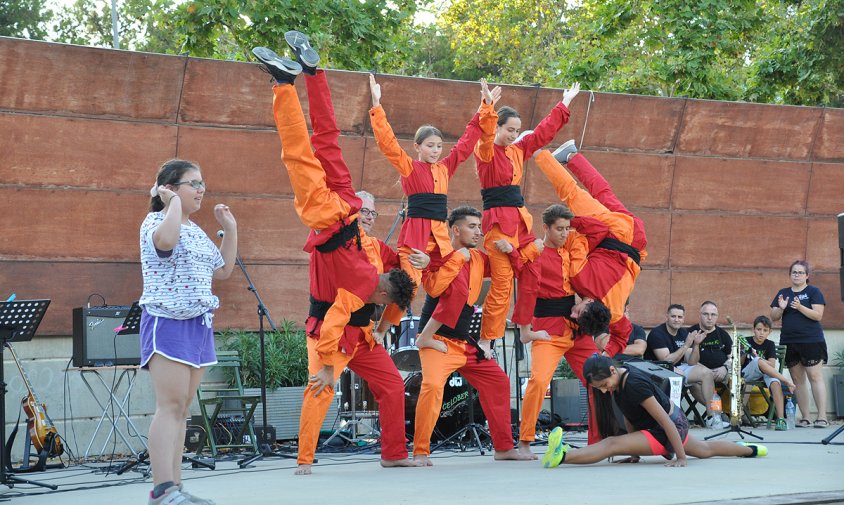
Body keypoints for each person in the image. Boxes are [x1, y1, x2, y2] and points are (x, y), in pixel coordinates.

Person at [252, 32, 420, 474]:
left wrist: (412, 268)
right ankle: (284, 84)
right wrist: (328, 366)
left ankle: (314, 72)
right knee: (298, 153)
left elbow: (399, 279)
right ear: (383, 294)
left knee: (327, 138)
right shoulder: (367, 279)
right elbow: (331, 323)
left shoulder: (373, 258)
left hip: (347, 208)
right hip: (329, 217)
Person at [140, 159, 238, 505]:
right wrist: (171, 203)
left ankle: (176, 488)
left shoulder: (196, 231)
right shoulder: (155, 221)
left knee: (182, 408)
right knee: (169, 407)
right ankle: (161, 489)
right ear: (170, 187)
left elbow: (223, 270)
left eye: (202, 183)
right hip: (166, 321)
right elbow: (166, 242)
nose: (201, 190)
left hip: (199, 323)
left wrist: (230, 227)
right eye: (192, 183)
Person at [411, 206, 531, 464]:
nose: (478, 231)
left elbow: (504, 271)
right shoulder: (441, 254)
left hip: (464, 342)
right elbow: (428, 269)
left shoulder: (478, 258)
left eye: (480, 226)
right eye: (472, 226)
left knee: (498, 382)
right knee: (432, 387)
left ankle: (503, 448)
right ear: (456, 229)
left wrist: (514, 251)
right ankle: (420, 452)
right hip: (437, 339)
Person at [367, 74, 498, 292]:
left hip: (439, 241)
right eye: (430, 145)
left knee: (449, 283)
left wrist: (485, 106)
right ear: (417, 147)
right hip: (415, 238)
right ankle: (381, 328)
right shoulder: (409, 167)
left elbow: (466, 143)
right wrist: (377, 105)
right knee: (409, 286)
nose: (436, 151)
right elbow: (388, 144)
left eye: (439, 146)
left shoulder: (445, 167)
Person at [474, 83, 580, 344]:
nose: (513, 135)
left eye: (517, 131)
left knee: (533, 272)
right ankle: (487, 340)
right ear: (498, 127)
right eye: (509, 130)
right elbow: (484, 135)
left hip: (520, 222)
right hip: (499, 225)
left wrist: (564, 103)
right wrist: (487, 108)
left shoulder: (518, 150)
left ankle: (524, 329)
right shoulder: (485, 151)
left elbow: (542, 134)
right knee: (502, 285)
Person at [541, 355, 768, 468]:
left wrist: (680, 457)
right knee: (705, 449)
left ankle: (561, 456)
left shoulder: (634, 384)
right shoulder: (618, 381)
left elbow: (665, 420)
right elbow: (630, 415)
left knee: (612, 443)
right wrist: (634, 452)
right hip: (664, 426)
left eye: (603, 384)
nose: (602, 390)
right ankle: (751, 450)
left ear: (612, 370)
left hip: (668, 425)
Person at [533, 141, 647, 357]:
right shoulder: (581, 278)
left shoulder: (614, 314)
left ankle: (571, 156)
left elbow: (622, 336)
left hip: (636, 239)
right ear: (590, 302)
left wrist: (607, 354)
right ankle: (538, 151)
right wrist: (569, 223)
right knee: (572, 195)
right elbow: (587, 236)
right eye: (579, 312)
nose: (573, 315)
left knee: (603, 192)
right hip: (615, 232)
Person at [507, 203, 576, 458]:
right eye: (559, 229)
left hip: (575, 330)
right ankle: (525, 442)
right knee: (537, 382)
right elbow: (526, 294)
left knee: (599, 377)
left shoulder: (570, 250)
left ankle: (605, 437)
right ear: (546, 228)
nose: (564, 233)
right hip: (548, 331)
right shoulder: (534, 253)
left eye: (568, 229)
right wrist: (527, 331)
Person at [644, 304, 725, 428]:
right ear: (667, 316)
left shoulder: (683, 332)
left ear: (683, 318)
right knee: (685, 377)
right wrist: (687, 345)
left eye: (680, 317)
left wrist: (696, 345)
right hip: (658, 370)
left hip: (679, 369)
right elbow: (666, 361)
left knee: (706, 373)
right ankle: (714, 415)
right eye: (673, 316)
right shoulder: (657, 333)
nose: (677, 320)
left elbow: (691, 362)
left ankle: (711, 417)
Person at [771, 260, 829, 428]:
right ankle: (805, 417)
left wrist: (799, 307)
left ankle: (822, 416)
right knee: (798, 380)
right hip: (789, 341)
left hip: (811, 340)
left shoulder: (813, 291)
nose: (796, 275)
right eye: (794, 272)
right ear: (790, 275)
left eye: (800, 272)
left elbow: (818, 315)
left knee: (815, 377)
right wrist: (781, 308)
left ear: (807, 276)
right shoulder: (783, 292)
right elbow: (773, 316)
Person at [741, 315, 796, 430]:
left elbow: (772, 365)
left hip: (765, 373)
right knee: (757, 361)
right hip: (748, 373)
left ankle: (780, 419)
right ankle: (786, 381)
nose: (761, 333)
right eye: (759, 329)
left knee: (775, 382)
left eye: (765, 330)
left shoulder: (769, 344)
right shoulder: (747, 341)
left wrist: (758, 358)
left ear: (769, 332)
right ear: (753, 329)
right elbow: (740, 364)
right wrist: (745, 352)